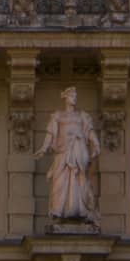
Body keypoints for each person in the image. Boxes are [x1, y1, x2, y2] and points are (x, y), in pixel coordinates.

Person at [41, 86, 101, 223]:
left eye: (75, 96)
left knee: (79, 180)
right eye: (72, 96)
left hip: (78, 151)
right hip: (62, 152)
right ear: (66, 98)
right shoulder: (58, 115)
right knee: (59, 182)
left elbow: (89, 130)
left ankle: (79, 210)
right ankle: (59, 211)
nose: (75, 98)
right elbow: (51, 133)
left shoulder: (82, 115)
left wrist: (96, 144)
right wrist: (44, 148)